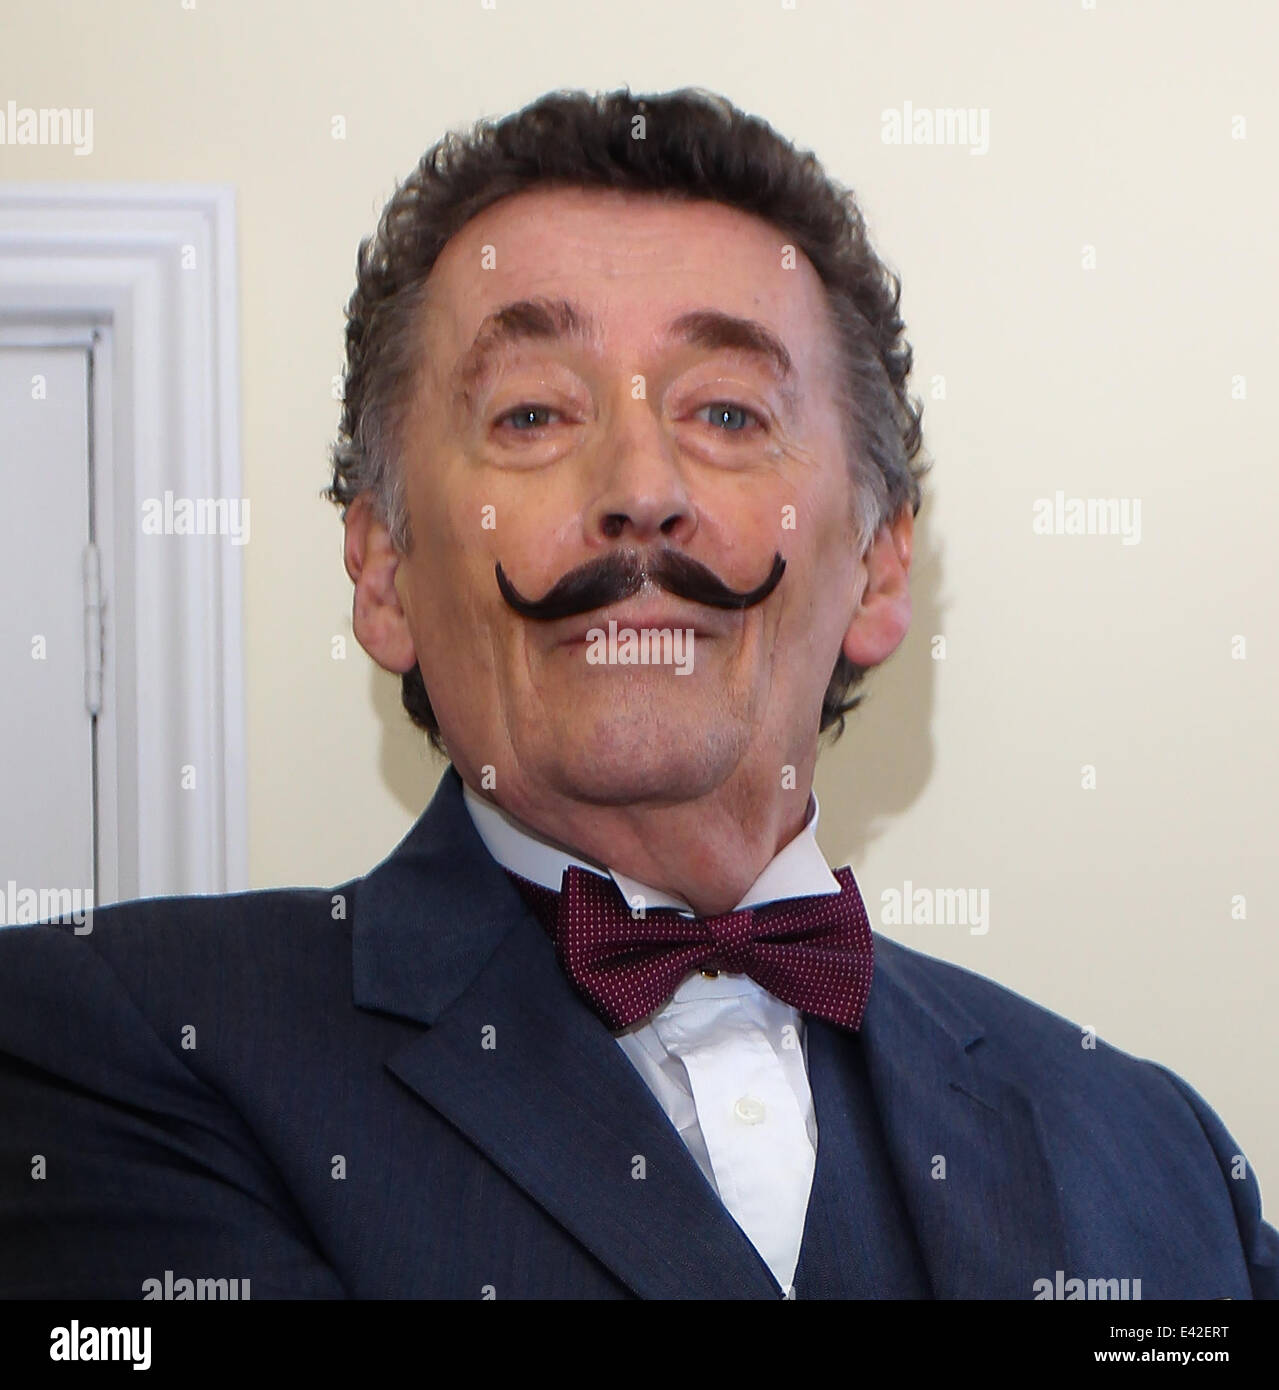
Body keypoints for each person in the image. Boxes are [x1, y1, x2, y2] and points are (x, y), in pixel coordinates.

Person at [1, 86, 1274, 1301]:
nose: (640, 487)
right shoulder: (101, 1041)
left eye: (727, 412)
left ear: (880, 566)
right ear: (383, 569)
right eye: (532, 415)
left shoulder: (1160, 1156)